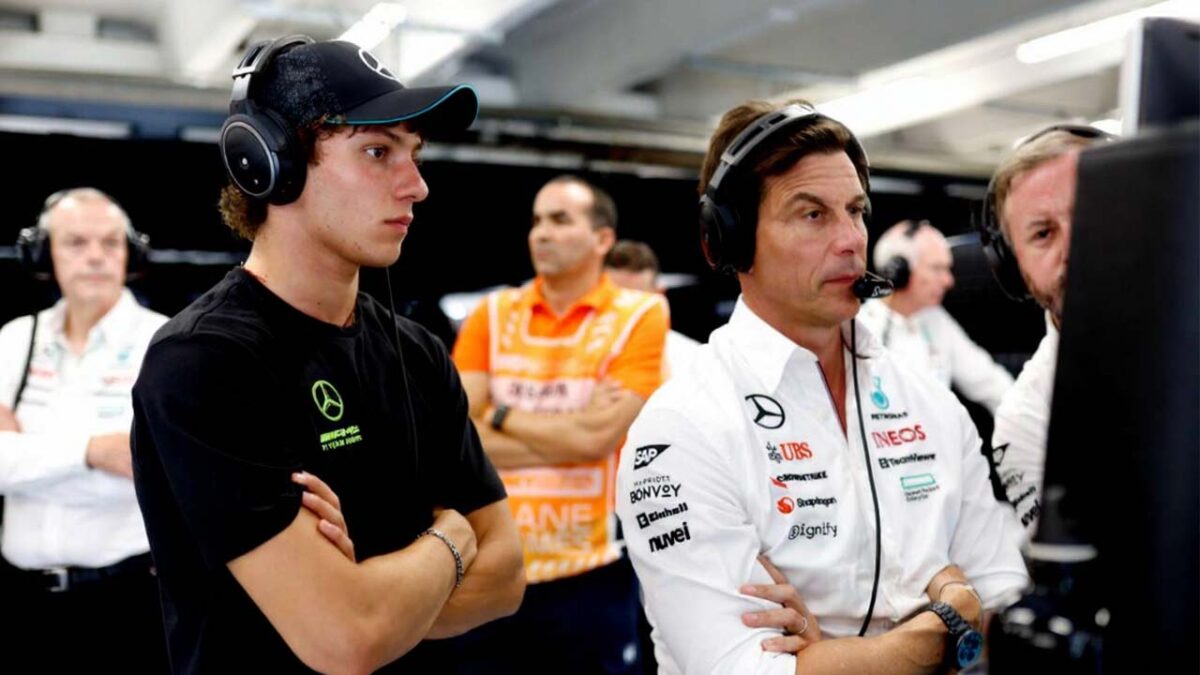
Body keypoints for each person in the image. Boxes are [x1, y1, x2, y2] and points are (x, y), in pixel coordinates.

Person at [130, 36, 524, 674]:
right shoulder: (204, 362)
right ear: (270, 163)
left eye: (415, 155)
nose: (417, 186)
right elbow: (349, 638)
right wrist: (451, 537)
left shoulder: (418, 351)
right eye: (378, 152)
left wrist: (369, 583)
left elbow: (505, 580)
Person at [615, 99, 1029, 674]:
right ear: (731, 239)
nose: (850, 240)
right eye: (812, 214)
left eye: (855, 211)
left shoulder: (929, 400)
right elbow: (742, 670)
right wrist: (952, 613)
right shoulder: (681, 429)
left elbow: (1005, 600)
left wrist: (831, 657)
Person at [451, 175, 668, 673]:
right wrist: (571, 433)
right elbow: (460, 441)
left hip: (592, 569)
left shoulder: (641, 315)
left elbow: (599, 438)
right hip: (494, 565)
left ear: (602, 239)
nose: (540, 234)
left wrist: (500, 415)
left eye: (560, 219)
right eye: (536, 221)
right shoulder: (492, 313)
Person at [0, 187, 169, 672]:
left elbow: (155, 474)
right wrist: (92, 452)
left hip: (128, 602)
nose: (95, 256)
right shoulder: (15, 339)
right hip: (22, 599)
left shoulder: (165, 342)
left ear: (130, 253)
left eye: (110, 243)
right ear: (43, 252)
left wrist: (24, 452)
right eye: (76, 242)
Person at [978, 124, 1111, 540]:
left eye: (1091, 213)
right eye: (1042, 233)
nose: (1074, 249)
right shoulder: (1028, 418)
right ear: (1012, 266)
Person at [859, 219, 1014, 413]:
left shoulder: (936, 320)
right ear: (899, 271)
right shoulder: (861, 329)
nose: (948, 281)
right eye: (937, 269)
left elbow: (989, 382)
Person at [605, 239, 703, 378]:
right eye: (619, 299)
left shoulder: (693, 359)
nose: (628, 312)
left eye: (638, 302)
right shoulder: (573, 353)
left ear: (660, 295)